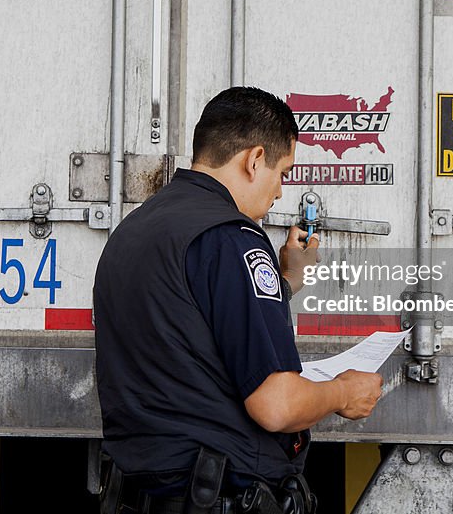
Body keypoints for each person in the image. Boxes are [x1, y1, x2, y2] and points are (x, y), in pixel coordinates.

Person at [93, 87, 383, 514]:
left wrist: (285, 281)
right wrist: (342, 392)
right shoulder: (234, 238)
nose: (281, 192)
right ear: (254, 159)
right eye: (283, 172)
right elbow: (277, 406)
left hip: (142, 494)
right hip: (212, 495)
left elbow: (193, 329)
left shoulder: (134, 231)